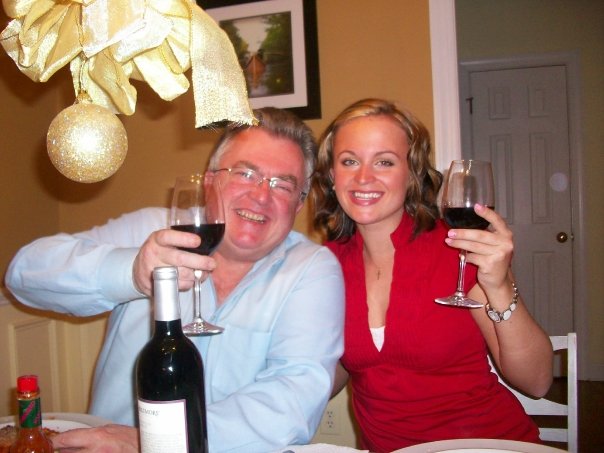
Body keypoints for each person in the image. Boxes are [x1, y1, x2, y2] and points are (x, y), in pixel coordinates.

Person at [6, 107, 345, 452]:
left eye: (283, 185)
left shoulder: (311, 268)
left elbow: (293, 396)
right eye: (245, 174)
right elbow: (23, 273)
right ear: (210, 181)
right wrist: (131, 272)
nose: (261, 196)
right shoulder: (152, 230)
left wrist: (153, 441)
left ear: (299, 204)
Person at [312, 98, 553, 452]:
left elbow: (537, 382)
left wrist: (499, 286)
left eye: (384, 161)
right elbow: (340, 369)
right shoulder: (325, 264)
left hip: (485, 444)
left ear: (411, 174)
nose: (363, 177)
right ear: (332, 175)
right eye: (349, 161)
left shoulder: (459, 248)